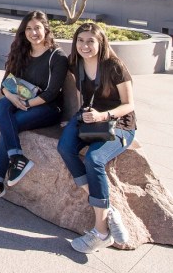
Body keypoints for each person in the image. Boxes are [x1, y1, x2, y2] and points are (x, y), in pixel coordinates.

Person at [57, 22, 136, 254]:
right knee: (65, 147)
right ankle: (108, 210)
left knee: (94, 159)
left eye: (90, 41)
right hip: (88, 116)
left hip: (117, 123)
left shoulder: (114, 66)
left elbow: (129, 104)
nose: (85, 46)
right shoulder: (76, 62)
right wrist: (74, 118)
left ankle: (101, 232)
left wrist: (104, 115)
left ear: (101, 42)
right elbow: (78, 93)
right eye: (80, 41)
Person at [0, 11, 69, 205]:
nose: (33, 33)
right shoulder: (22, 52)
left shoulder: (57, 56)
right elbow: (6, 84)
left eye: (37, 28)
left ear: (46, 29)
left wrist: (25, 104)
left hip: (47, 108)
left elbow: (51, 93)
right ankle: (17, 157)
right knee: (1, 104)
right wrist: (11, 97)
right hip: (20, 100)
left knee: (11, 123)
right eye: (29, 29)